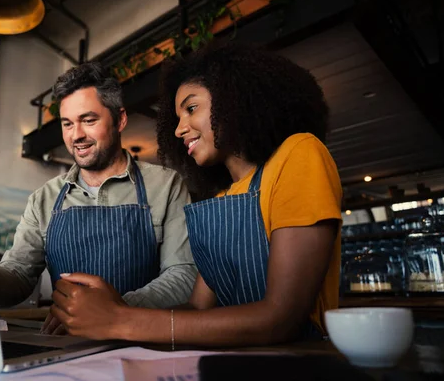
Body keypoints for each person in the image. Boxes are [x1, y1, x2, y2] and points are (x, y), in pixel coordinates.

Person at [47, 41, 342, 346]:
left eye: (191, 108)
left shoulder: (299, 154)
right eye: (176, 118)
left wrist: (120, 319)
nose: (179, 129)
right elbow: (197, 309)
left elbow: (281, 318)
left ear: (234, 99)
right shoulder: (220, 198)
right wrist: (118, 307)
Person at [0, 62, 197, 334]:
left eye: (88, 120)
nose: (76, 135)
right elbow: (18, 273)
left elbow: (184, 275)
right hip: (65, 346)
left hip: (141, 344)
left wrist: (114, 311)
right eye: (68, 124)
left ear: (120, 119)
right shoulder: (43, 198)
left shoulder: (166, 185)